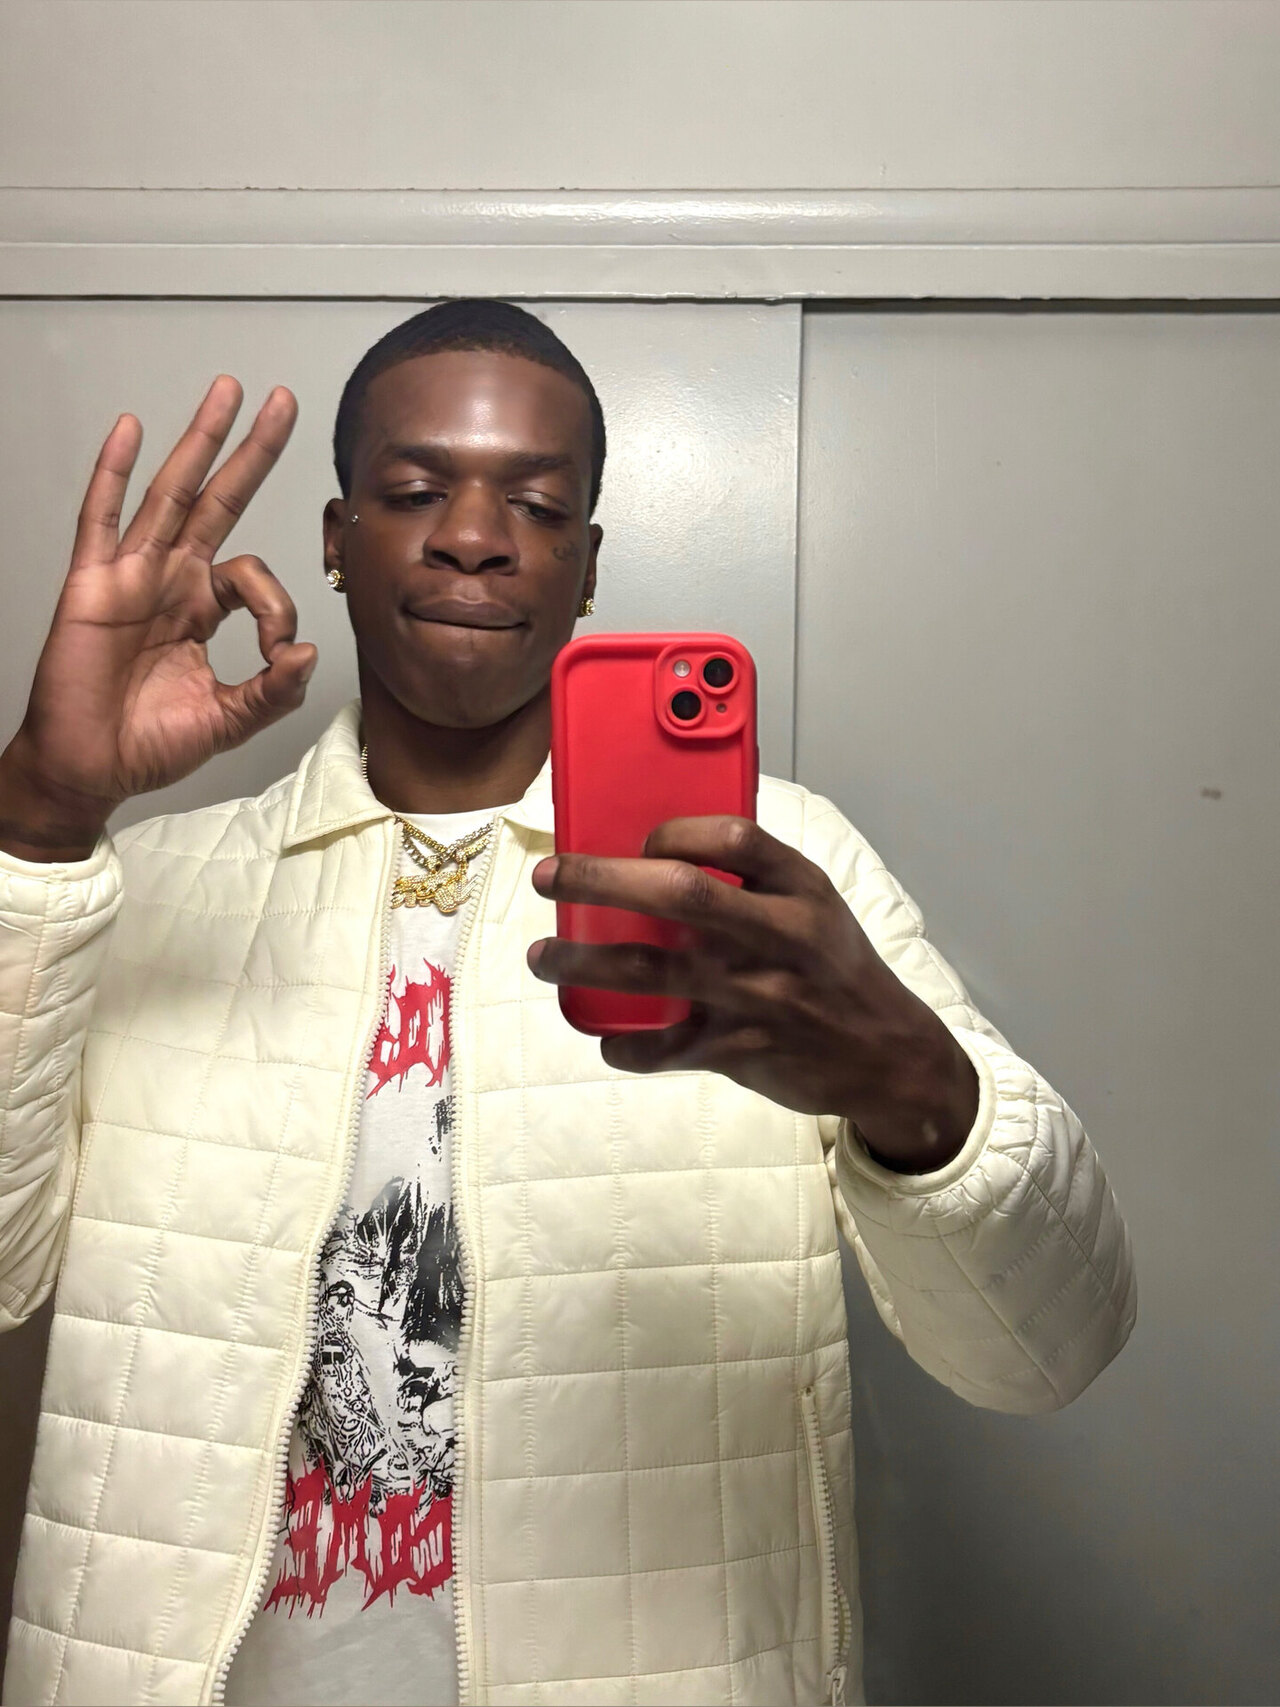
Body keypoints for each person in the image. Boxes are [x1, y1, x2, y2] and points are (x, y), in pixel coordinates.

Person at [0, 300, 1135, 1707]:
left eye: (537, 505)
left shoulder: (774, 877)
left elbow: (1048, 1350)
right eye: (416, 491)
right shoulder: (139, 891)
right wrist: (38, 823)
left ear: (586, 568)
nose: (474, 536)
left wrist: (917, 1091)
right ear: (337, 539)